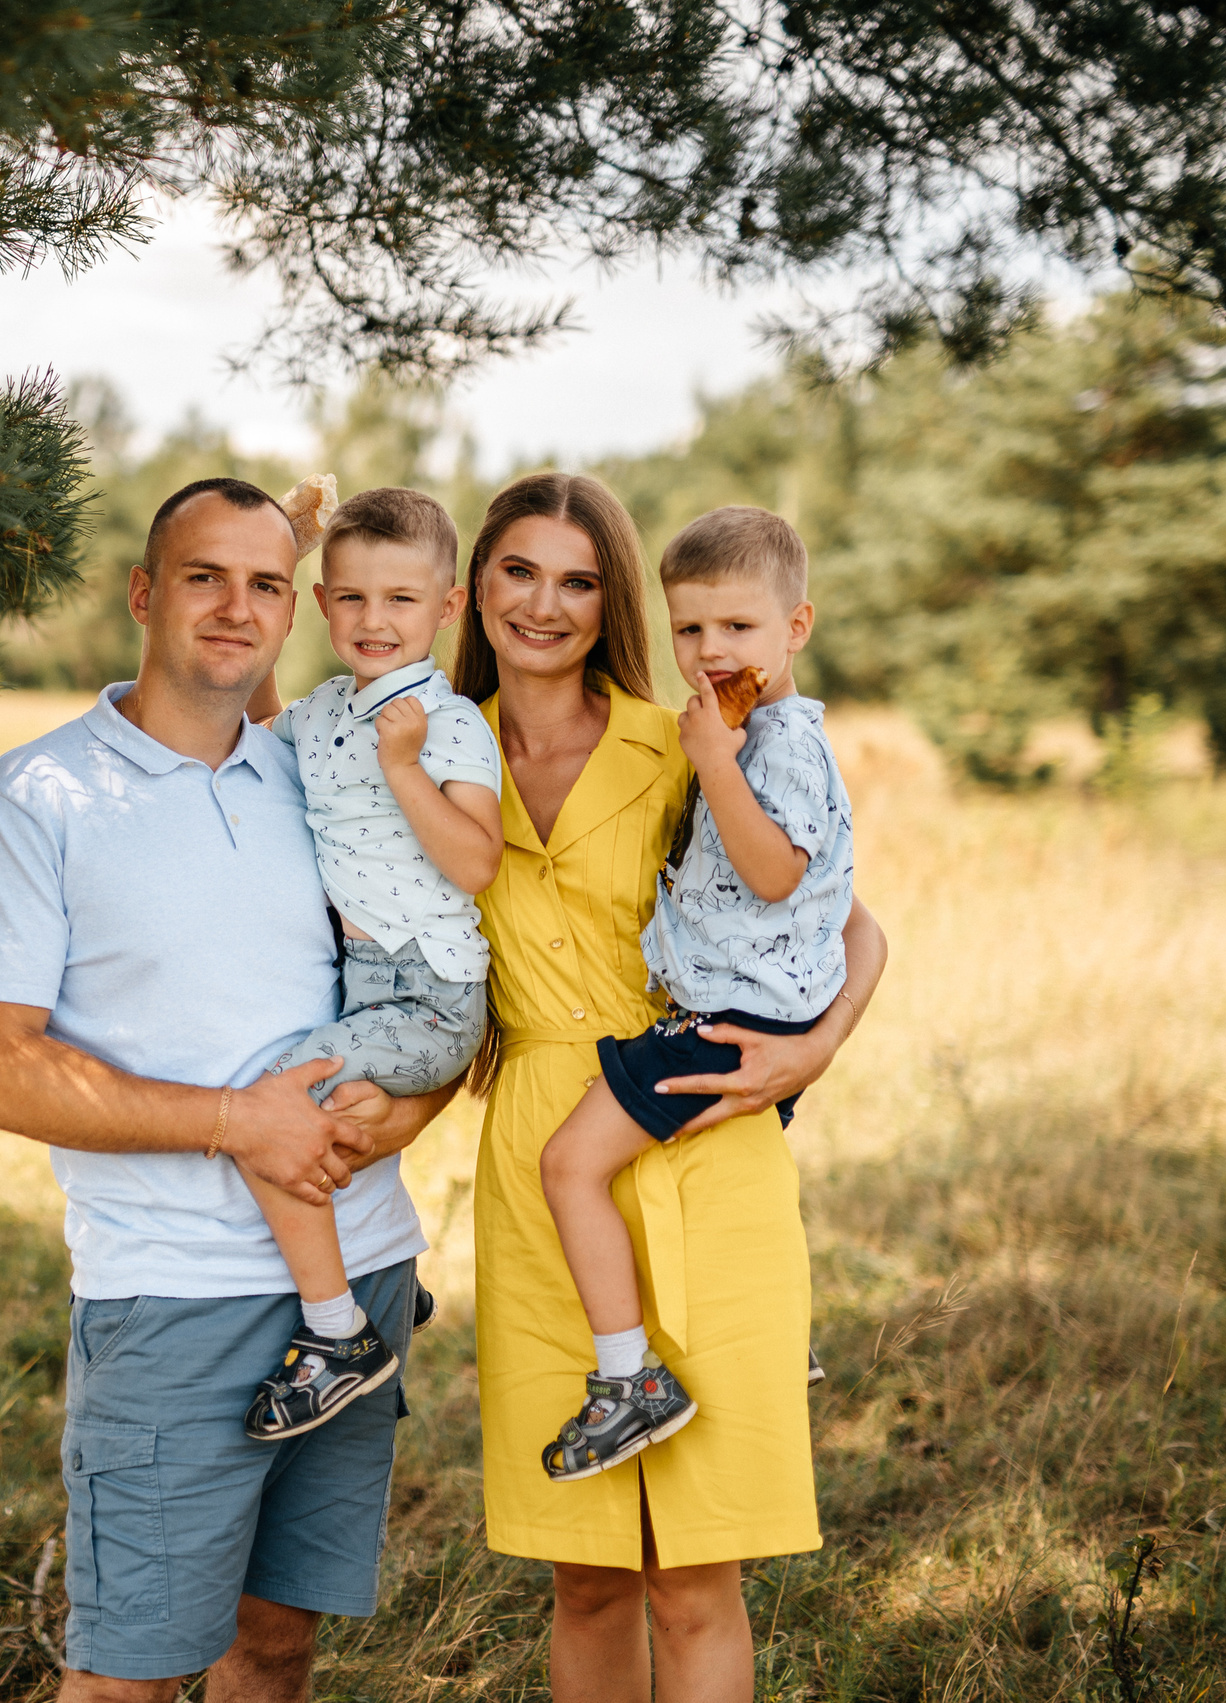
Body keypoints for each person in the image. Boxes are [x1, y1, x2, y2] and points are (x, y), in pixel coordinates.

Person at [0, 477, 458, 1703]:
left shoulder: (318, 774)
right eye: (204, 575)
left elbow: (423, 968)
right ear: (142, 591)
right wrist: (238, 1122)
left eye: (267, 582)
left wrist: (414, 1108)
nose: (236, 606)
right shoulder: (36, 798)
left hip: (363, 1271)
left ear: (296, 611)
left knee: (274, 1644)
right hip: (172, 1294)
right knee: (130, 1673)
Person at [458, 472, 888, 1703]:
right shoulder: (430, 750)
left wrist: (816, 1049)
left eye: (579, 579)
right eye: (519, 572)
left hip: (701, 1126)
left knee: (695, 1571)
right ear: (473, 587)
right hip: (545, 1153)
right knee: (585, 1572)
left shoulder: (690, 740)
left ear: (612, 601)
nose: (546, 604)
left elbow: (850, 927)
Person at [534, 505, 854, 1481]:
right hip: (753, 1007)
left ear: (795, 627)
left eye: (738, 627)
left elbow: (771, 872)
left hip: (732, 1020)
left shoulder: (777, 744)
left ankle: (629, 1380)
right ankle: (768, 1333)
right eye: (689, 629)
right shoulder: (752, 730)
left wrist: (713, 760)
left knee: (570, 1166)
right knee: (702, 1193)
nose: (710, 650)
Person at [236, 486, 504, 1442]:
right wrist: (287, 551)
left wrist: (404, 768)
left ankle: (338, 1330)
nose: (374, 619)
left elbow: (477, 862)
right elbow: (261, 739)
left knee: (273, 1108)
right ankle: (381, 1294)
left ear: (448, 606)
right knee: (322, 1122)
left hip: (430, 995)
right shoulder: (322, 712)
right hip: (366, 979)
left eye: (400, 599)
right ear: (320, 604)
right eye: (349, 597)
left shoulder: (453, 723)